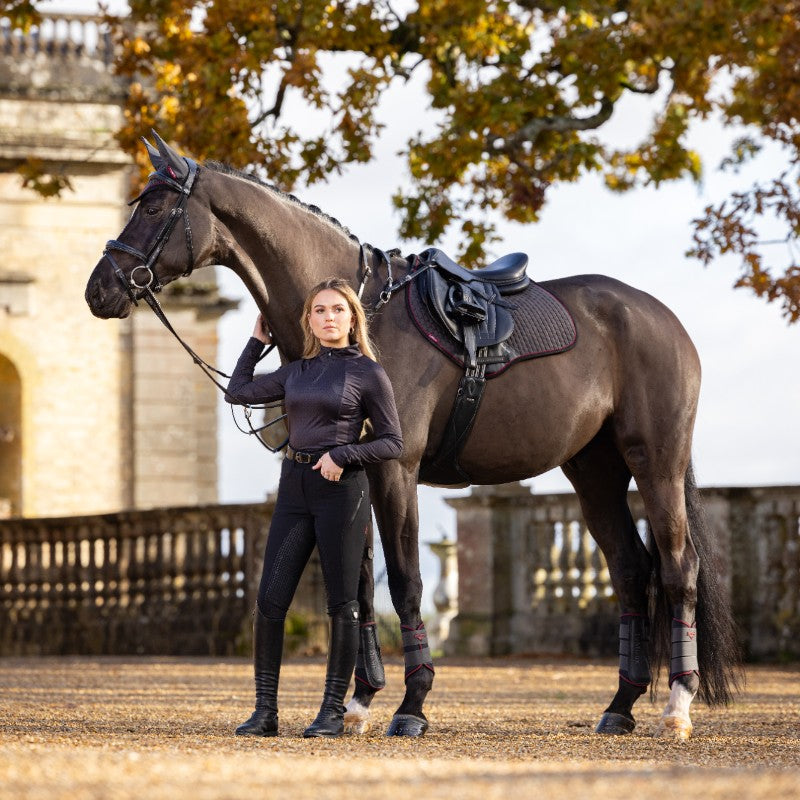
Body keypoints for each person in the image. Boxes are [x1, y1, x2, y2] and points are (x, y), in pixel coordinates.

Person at [225, 277, 403, 738]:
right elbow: (237, 391)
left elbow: (392, 441)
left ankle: (329, 711)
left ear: (351, 319)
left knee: (342, 603)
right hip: (295, 486)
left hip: (342, 491)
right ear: (309, 320)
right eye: (319, 310)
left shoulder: (368, 373)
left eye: (337, 310)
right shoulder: (296, 372)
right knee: (269, 601)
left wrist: (343, 455)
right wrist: (255, 340)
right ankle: (265, 711)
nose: (328, 318)